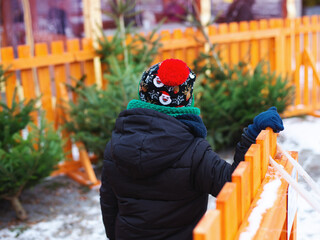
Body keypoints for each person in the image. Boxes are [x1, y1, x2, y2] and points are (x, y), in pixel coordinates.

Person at [100, 58, 284, 240]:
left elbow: (109, 204)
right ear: (187, 101)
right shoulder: (194, 151)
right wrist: (252, 135)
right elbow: (235, 185)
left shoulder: (115, 145)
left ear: (143, 94)